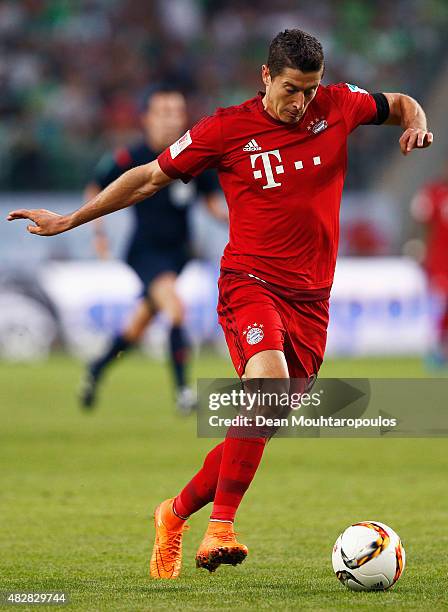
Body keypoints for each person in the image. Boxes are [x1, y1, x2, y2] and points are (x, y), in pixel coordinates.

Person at [8, 29, 433, 578]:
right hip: (249, 283)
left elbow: (398, 103)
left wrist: (417, 123)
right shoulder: (225, 129)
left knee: (257, 422)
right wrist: (70, 221)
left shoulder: (338, 105)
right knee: (267, 385)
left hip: (312, 300)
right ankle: (221, 528)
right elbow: (146, 179)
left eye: (309, 89)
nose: (300, 102)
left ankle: (175, 513)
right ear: (265, 76)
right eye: (289, 89)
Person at [79, 84, 225, 414]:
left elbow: (214, 204)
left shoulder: (194, 156)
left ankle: (96, 369)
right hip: (146, 253)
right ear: (146, 118)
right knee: (176, 310)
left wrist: (244, 219)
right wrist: (98, 233)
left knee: (138, 326)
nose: (172, 120)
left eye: (177, 112)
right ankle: (184, 393)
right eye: (164, 112)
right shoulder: (129, 157)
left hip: (179, 254)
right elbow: (94, 187)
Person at [410, 161, 448, 366]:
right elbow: (421, 223)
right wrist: (420, 247)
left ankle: (440, 348)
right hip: (440, 261)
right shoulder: (434, 193)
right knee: (442, 303)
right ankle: (436, 349)